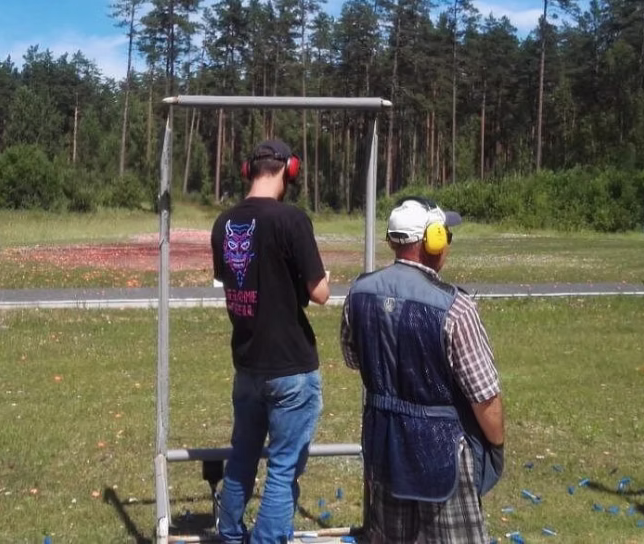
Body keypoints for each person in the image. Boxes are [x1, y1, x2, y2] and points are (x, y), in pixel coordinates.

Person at [339, 197, 505, 544]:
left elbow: (354, 358)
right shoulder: (455, 308)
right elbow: (484, 397)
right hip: (442, 453)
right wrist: (496, 444)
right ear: (434, 240)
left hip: (384, 445)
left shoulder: (358, 293)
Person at [210, 138, 331, 544]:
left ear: (249, 170)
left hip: (247, 364)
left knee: (242, 457)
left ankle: (229, 535)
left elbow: (234, 279)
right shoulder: (291, 220)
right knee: (282, 468)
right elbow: (320, 292)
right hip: (290, 367)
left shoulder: (223, 223)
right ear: (289, 170)